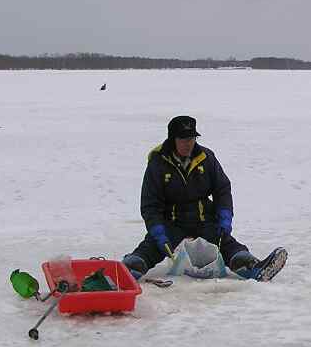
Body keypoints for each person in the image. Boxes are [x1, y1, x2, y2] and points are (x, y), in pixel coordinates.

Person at [122, 115, 287, 282]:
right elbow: (150, 205)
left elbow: (222, 190)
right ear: (173, 139)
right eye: (183, 139)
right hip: (171, 224)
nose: (189, 143)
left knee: (228, 245)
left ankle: (254, 268)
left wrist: (224, 218)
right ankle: (125, 272)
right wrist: (158, 232)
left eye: (192, 138)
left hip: (204, 221)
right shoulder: (158, 163)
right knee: (150, 248)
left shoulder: (206, 158)